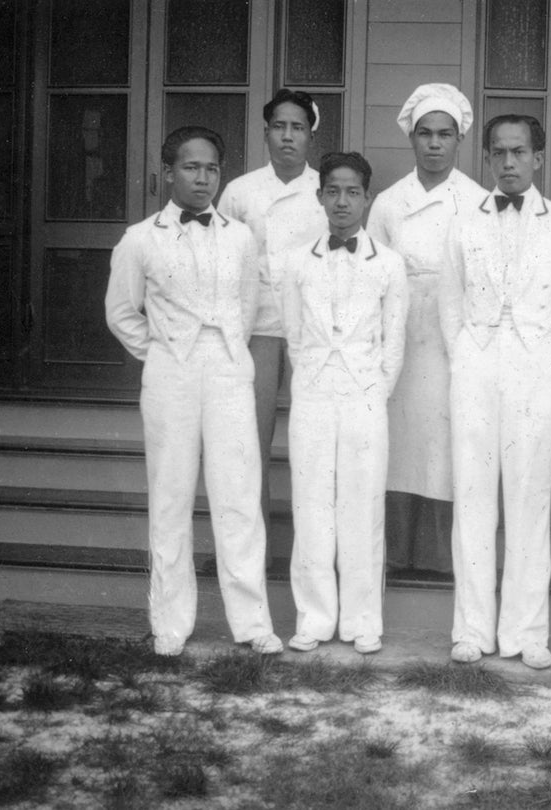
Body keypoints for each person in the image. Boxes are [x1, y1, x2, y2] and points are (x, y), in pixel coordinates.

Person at [105, 126, 282, 657]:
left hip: (228, 371)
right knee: (171, 497)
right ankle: (171, 622)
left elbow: (247, 306)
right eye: (190, 167)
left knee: (239, 497)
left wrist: (222, 351)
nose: (202, 178)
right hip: (170, 375)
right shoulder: (141, 238)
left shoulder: (240, 237)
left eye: (211, 169)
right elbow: (121, 313)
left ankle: (251, 622)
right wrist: (163, 351)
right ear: (168, 173)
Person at [439, 114, 551, 669]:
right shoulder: (463, 223)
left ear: (537, 158)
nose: (508, 162)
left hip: (533, 365)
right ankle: (472, 629)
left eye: (519, 152)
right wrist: (470, 353)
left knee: (529, 499)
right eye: (498, 152)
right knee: (473, 497)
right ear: (487, 159)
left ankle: (526, 632)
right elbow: (449, 302)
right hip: (475, 363)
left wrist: (528, 348)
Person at [281, 152, 409, 655]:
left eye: (352, 192)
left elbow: (393, 343)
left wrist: (373, 389)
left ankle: (362, 618)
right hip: (313, 393)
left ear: (367, 198)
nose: (342, 201)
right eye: (332, 191)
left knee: (362, 505)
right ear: (319, 196)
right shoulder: (298, 262)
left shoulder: (389, 264)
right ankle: (314, 617)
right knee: (312, 503)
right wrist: (314, 377)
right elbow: (295, 336)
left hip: (364, 396)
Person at [368, 83, 485, 575]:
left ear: (459, 140)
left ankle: (439, 557)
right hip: (401, 329)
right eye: (425, 134)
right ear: (411, 138)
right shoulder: (389, 203)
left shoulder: (478, 201)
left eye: (444, 134)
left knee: (444, 442)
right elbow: (371, 274)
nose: (434, 143)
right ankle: (396, 552)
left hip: (453, 333)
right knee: (400, 442)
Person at [217, 89, 328, 541]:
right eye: (279, 127)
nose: (287, 136)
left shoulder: (327, 191)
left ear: (310, 136)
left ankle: (316, 549)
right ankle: (249, 550)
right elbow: (222, 263)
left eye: (297, 127)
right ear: (265, 133)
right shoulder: (240, 192)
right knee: (248, 442)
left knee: (315, 444)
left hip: (312, 334)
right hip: (256, 330)